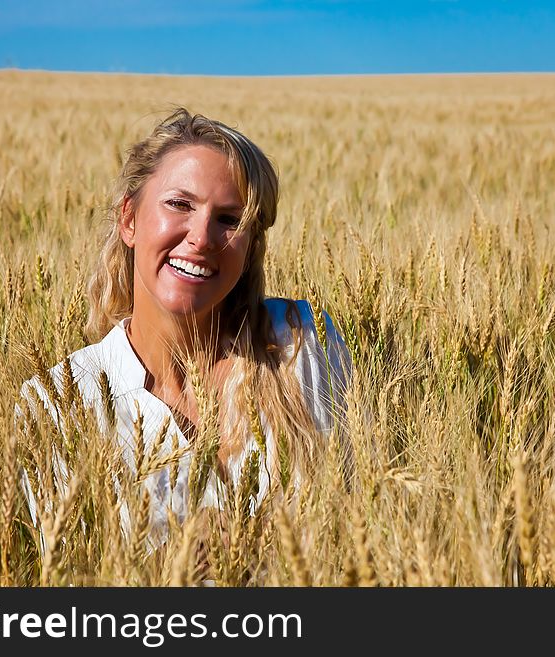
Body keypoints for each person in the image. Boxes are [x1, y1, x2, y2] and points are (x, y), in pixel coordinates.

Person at [17, 108, 351, 554]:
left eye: (229, 220)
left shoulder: (298, 342)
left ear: (251, 246)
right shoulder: (60, 403)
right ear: (129, 219)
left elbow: (350, 520)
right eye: (180, 204)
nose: (202, 237)